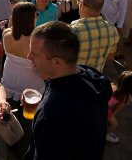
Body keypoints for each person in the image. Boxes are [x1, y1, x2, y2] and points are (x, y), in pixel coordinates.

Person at [24, 21, 112, 160]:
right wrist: (45, 98)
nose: (28, 57)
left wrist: (46, 106)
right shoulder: (90, 76)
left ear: (57, 62)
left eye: (34, 54)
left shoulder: (52, 115)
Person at [1, 2, 45, 158]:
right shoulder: (38, 40)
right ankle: (25, 150)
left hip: (10, 80)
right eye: (36, 15)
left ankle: (11, 145)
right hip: (31, 85)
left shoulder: (6, 34)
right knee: (28, 121)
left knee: (10, 116)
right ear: (31, 18)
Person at [70, 0, 119, 72]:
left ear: (83, 5)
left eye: (79, 1)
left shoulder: (74, 29)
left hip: (76, 77)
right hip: (96, 77)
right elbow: (110, 56)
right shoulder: (112, 28)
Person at [106, 71, 132, 143]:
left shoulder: (113, 85)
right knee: (114, 125)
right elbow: (115, 111)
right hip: (104, 110)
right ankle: (104, 135)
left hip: (98, 105)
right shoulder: (126, 97)